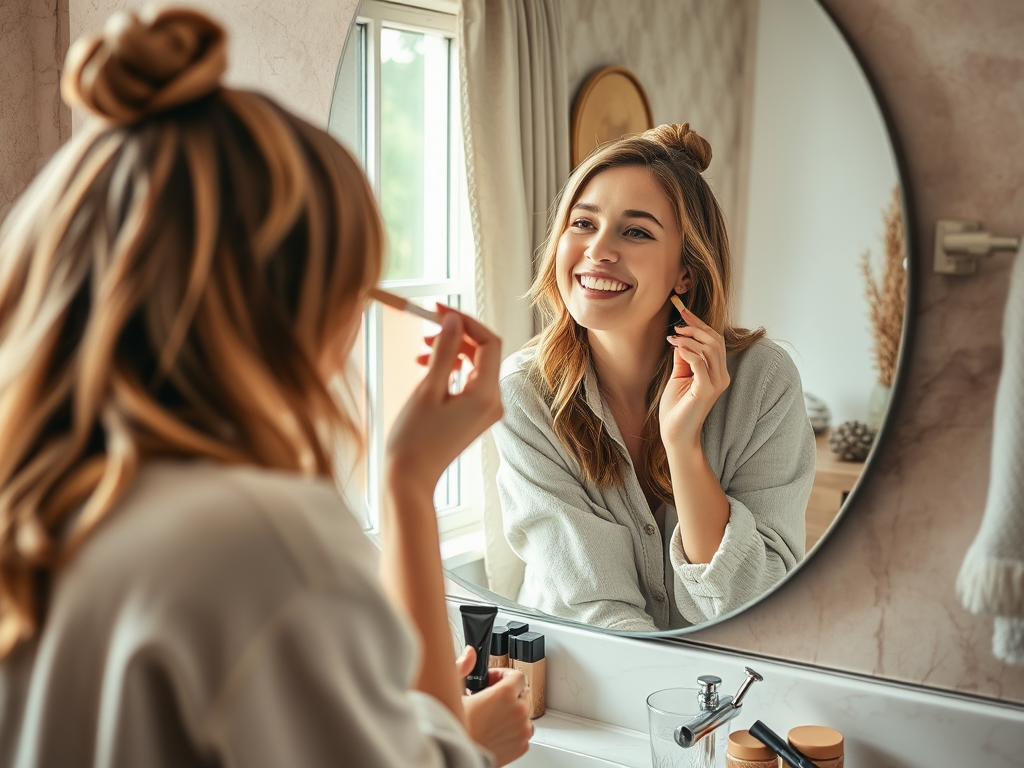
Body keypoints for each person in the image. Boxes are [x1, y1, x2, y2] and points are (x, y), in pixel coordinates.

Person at [0, 8, 530, 767]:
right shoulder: (256, 544)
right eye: (354, 291)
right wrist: (457, 742)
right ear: (287, 305)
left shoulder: (42, 500)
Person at [492, 124, 816, 632]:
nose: (598, 250)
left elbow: (759, 603)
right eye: (583, 223)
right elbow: (593, 607)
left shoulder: (763, 382)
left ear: (685, 272)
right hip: (583, 682)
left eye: (636, 231)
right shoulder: (525, 394)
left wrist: (683, 447)